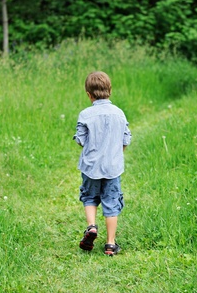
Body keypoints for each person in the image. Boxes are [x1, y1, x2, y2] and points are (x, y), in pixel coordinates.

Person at [73, 71, 132, 256]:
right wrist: (115, 153)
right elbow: (126, 139)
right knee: (111, 203)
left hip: (91, 167)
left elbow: (80, 140)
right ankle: (110, 244)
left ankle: (91, 227)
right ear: (110, 90)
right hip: (113, 167)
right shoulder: (119, 113)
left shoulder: (85, 114)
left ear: (88, 94)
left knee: (90, 197)